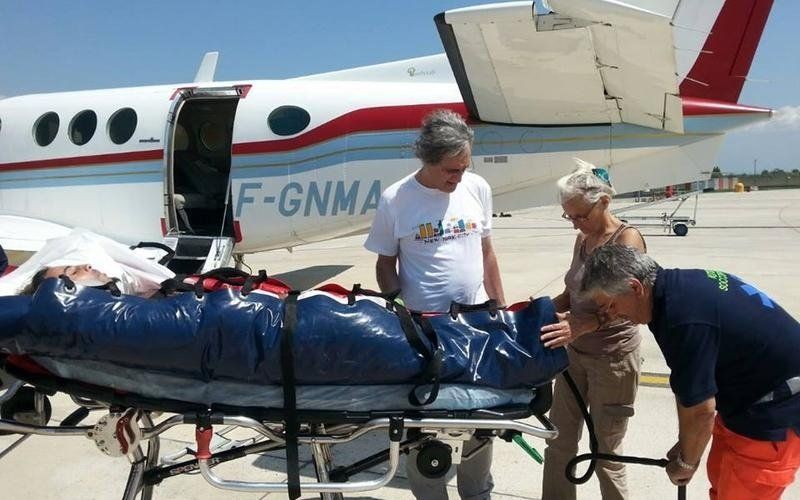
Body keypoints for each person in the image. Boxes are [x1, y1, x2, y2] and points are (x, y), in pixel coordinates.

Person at [581, 245, 800, 499]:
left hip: (774, 412)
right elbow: (688, 386)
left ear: (634, 287)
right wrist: (687, 446)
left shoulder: (682, 318)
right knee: (722, 487)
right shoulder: (674, 292)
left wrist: (685, 462)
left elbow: (700, 411)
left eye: (610, 305)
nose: (610, 315)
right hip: (746, 401)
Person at [364, 109, 505, 499]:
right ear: (427, 159)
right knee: (423, 423)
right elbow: (384, 262)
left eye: (463, 167)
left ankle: (477, 492)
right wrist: (397, 310)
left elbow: (488, 251)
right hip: (425, 330)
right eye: (450, 170)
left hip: (476, 325)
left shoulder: (477, 188)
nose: (458, 177)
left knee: (479, 417)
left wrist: (500, 306)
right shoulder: (396, 199)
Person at [539, 159, 646, 500]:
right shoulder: (583, 238)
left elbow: (630, 305)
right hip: (575, 355)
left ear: (604, 201)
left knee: (606, 454)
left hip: (612, 359)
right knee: (559, 442)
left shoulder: (626, 240)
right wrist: (537, 311)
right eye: (568, 216)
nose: (574, 224)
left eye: (580, 216)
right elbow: (573, 292)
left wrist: (584, 325)